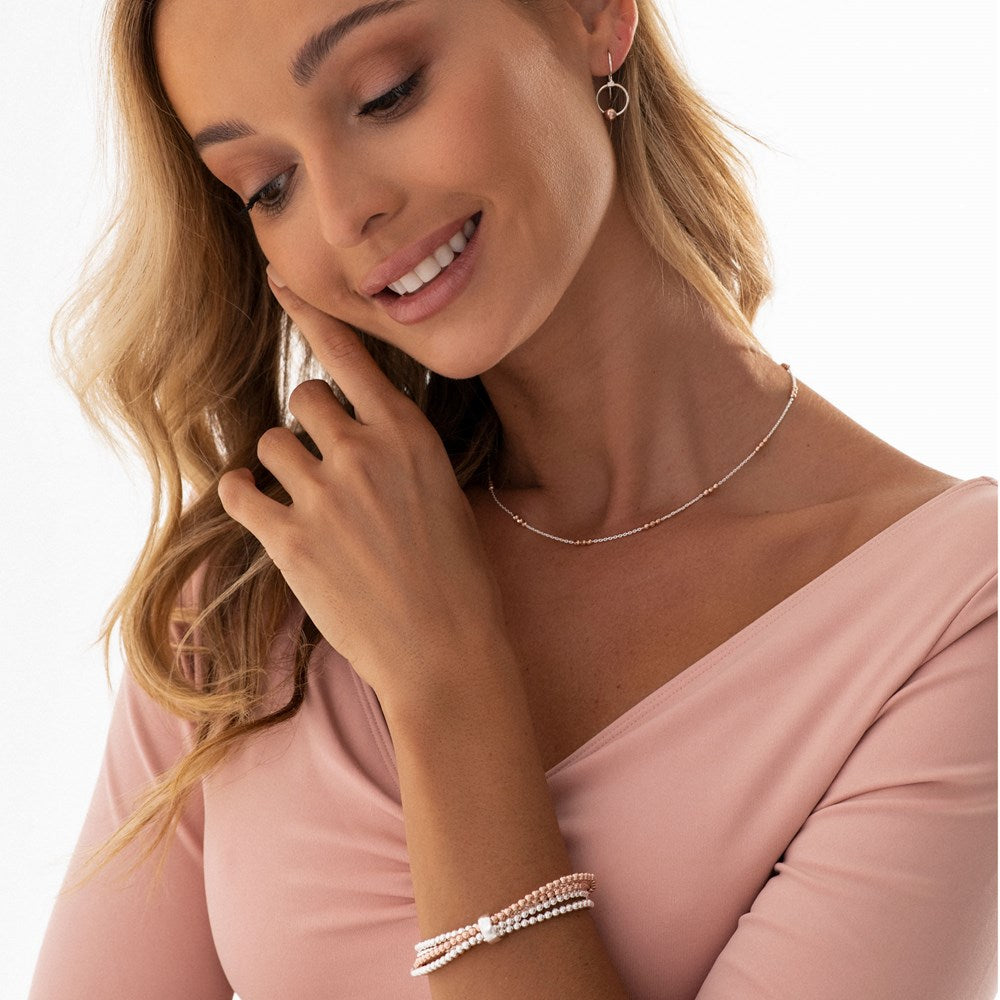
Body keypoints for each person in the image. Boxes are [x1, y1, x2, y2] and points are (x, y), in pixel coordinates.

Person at [29, 0, 997, 997]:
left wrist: (443, 680)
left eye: (387, 94)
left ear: (591, 14)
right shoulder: (259, 582)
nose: (343, 213)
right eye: (267, 185)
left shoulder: (950, 614)